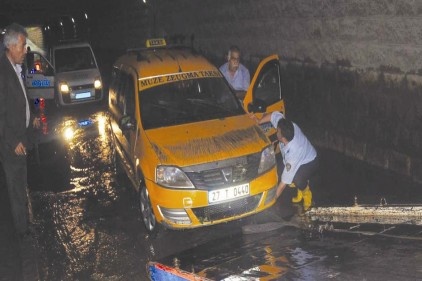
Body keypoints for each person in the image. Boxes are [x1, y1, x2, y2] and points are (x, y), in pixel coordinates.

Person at [0, 23, 40, 240]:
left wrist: (31, 117)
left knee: (21, 184)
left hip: (21, 139)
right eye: (23, 45)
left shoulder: (14, 68)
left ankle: (24, 224)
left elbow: (21, 101)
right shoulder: (2, 72)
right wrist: (12, 141)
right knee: (15, 188)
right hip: (11, 145)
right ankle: (21, 233)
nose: (26, 51)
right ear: (12, 46)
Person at [254, 111, 318, 210]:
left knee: (297, 180)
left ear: (283, 138)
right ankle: (300, 189)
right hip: (299, 156)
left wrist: (273, 199)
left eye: (277, 131)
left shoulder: (294, 152)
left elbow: (283, 183)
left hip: (309, 160)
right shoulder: (287, 126)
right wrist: (259, 121)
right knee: (278, 170)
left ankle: (306, 193)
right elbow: (273, 115)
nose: (276, 131)